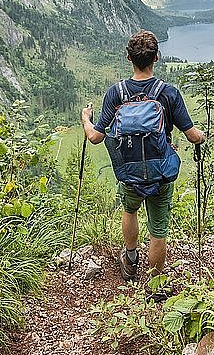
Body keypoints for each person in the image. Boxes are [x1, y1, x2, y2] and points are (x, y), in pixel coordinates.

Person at [81, 29, 205, 282]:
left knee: (130, 210)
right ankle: (155, 281)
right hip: (160, 173)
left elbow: (95, 137)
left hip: (129, 172)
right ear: (156, 57)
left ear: (128, 58)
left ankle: (130, 259)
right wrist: (201, 136)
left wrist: (86, 119)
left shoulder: (116, 93)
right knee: (158, 229)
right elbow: (192, 136)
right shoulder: (168, 93)